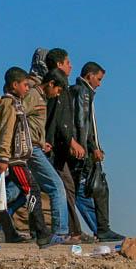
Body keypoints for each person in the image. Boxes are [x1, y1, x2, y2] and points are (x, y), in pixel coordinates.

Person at [0, 67, 55, 249]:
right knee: (32, 191)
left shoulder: (6, 103)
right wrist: (4, 158)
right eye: (25, 85)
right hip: (12, 160)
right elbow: (7, 132)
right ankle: (41, 233)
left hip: (7, 158)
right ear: (14, 85)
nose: (27, 88)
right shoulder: (10, 105)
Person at [70, 61, 125, 242]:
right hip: (83, 151)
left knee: (78, 191)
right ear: (90, 75)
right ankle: (102, 229)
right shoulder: (83, 92)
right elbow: (82, 123)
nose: (99, 84)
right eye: (99, 79)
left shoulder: (78, 91)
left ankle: (99, 229)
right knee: (99, 187)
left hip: (80, 148)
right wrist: (92, 148)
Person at [22, 47, 73, 241]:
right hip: (29, 149)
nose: (58, 93)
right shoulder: (34, 96)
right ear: (50, 83)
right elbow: (17, 117)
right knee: (56, 186)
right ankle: (60, 231)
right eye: (58, 89)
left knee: (20, 189)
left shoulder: (39, 96)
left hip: (34, 146)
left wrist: (42, 142)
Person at [44, 47, 93, 242]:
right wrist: (72, 141)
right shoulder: (57, 88)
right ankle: (71, 232)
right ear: (59, 65)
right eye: (67, 62)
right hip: (55, 148)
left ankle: (73, 231)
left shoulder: (61, 86)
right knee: (63, 187)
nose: (71, 66)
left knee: (65, 187)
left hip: (58, 148)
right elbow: (58, 120)